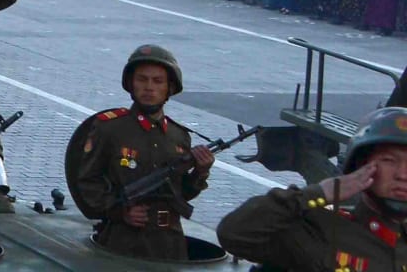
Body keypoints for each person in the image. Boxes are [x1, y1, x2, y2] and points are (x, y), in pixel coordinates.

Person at [68, 45, 213, 259]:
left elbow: (180, 193)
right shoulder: (110, 128)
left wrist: (201, 172)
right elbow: (87, 181)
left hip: (171, 243)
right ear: (131, 84)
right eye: (142, 80)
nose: (149, 87)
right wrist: (119, 212)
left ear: (169, 88)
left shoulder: (179, 136)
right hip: (124, 242)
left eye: (157, 81)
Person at [219, 106, 407, 269]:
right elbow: (235, 233)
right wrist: (320, 193)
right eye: (389, 161)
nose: (403, 175)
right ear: (361, 165)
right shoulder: (322, 231)